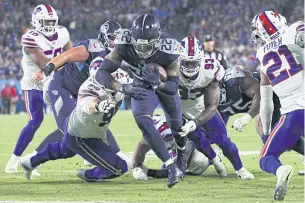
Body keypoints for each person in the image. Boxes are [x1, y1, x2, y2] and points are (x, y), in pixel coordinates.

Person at [94, 14, 185, 188]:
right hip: (141, 82)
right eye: (139, 45)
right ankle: (171, 165)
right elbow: (101, 72)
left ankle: (180, 158)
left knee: (177, 126)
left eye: (147, 45)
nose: (143, 50)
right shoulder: (123, 42)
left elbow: (173, 87)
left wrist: (159, 84)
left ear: (157, 40)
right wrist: (122, 87)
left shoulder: (170, 47)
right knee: (142, 119)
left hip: (163, 84)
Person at [20, 60, 132, 182]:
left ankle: (30, 161)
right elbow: (89, 104)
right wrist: (99, 106)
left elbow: (133, 84)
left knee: (65, 150)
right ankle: (88, 175)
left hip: (86, 128)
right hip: (81, 133)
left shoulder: (119, 79)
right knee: (120, 167)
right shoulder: (88, 88)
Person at [33, 21, 121, 164]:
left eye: (118, 38)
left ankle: (115, 155)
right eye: (112, 38)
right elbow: (67, 55)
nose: (115, 42)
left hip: (81, 94)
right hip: (62, 87)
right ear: (104, 37)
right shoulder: (94, 47)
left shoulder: (117, 55)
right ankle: (32, 159)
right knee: (68, 131)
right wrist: (50, 66)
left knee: (94, 124)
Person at [5, 4, 73, 174]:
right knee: (36, 120)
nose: (50, 26)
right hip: (34, 83)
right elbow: (44, 64)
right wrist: (61, 65)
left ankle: (36, 157)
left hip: (55, 81)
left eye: (52, 22)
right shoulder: (30, 38)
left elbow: (72, 56)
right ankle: (13, 160)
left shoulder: (63, 32)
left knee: (70, 119)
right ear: (36, 22)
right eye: (45, 22)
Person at [178, 36, 254, 180]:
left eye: (194, 62)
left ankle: (240, 169)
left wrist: (194, 122)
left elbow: (212, 106)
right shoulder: (170, 68)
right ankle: (215, 159)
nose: (190, 67)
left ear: (201, 59)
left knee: (223, 140)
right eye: (186, 62)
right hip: (180, 113)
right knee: (200, 142)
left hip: (203, 110)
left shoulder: (211, 68)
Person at [255, 10, 304, 200]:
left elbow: (266, 103)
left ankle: (281, 170)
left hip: (293, 113)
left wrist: (266, 132)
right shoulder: (295, 29)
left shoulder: (262, 55)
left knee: (266, 158)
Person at [133, 115, 217, 181]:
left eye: (168, 138)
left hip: (193, 151)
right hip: (174, 142)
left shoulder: (182, 136)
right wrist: (137, 167)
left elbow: (177, 169)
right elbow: (141, 145)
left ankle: (212, 157)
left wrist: (148, 172)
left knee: (199, 163)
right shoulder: (156, 129)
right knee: (166, 165)